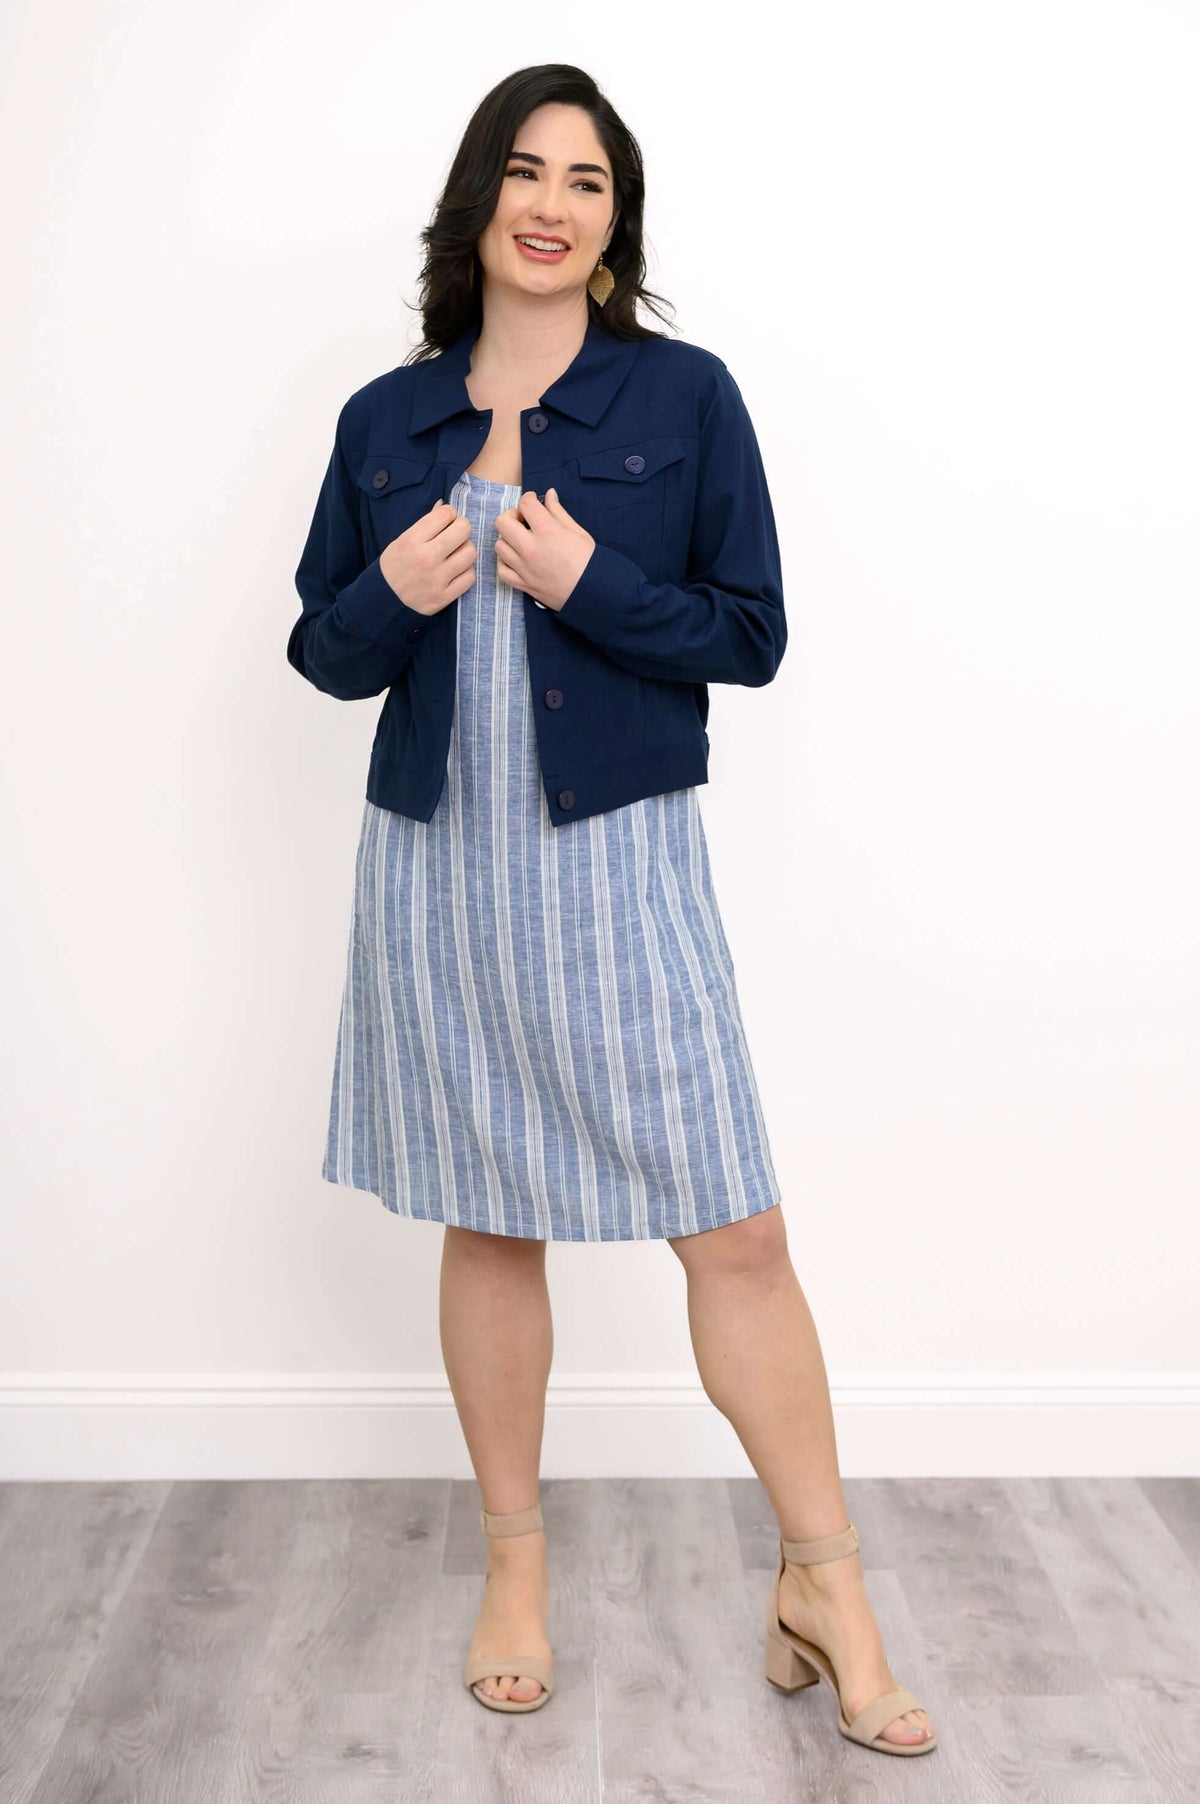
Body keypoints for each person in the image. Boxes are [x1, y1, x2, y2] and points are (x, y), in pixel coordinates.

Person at [288, 63, 936, 1757]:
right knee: (487, 1214)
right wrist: (389, 592)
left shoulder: (683, 396)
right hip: (441, 873)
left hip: (619, 863)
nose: (554, 204)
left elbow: (749, 633)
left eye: (589, 181)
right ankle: (515, 1569)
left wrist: (593, 582)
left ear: (616, 222)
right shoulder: (385, 422)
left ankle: (826, 1583)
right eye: (528, 170)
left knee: (737, 1232)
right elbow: (322, 652)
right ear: (479, 198)